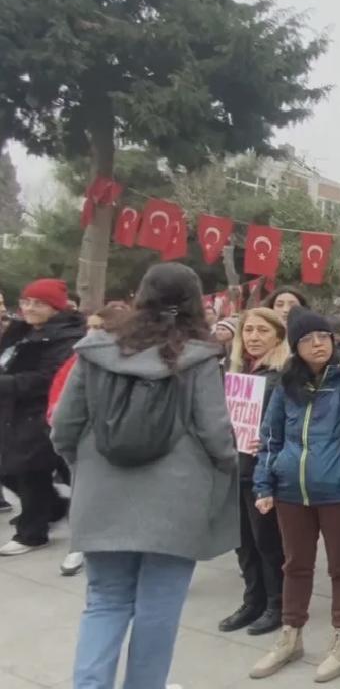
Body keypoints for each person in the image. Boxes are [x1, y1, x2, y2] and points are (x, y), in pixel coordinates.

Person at [50, 263, 238, 688]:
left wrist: (82, 466)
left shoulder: (95, 349)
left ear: (141, 295)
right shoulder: (200, 357)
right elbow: (215, 433)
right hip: (178, 499)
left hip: (102, 495)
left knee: (103, 601)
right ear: (195, 302)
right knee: (160, 610)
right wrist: (227, 468)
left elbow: (64, 425)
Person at [250, 309, 340, 682]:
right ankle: (290, 636)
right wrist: (264, 483)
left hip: (339, 490)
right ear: (295, 346)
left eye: (324, 336)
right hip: (291, 489)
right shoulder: (284, 385)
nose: (318, 344)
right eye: (308, 339)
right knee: (295, 565)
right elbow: (271, 437)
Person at [218, 308, 291, 637]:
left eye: (263, 330)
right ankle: (253, 600)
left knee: (267, 541)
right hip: (233, 467)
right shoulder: (232, 372)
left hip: (265, 470)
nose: (254, 337)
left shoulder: (286, 375)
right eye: (248, 330)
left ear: (277, 335)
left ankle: (277, 603)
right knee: (242, 541)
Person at [45, 304, 131, 578]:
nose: (92, 333)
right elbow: (61, 402)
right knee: (85, 501)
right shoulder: (80, 359)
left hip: (120, 446)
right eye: (90, 326)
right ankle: (79, 546)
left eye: (100, 328)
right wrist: (67, 446)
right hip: (83, 447)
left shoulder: (134, 362)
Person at [0, 278, 84, 556]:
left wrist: (6, 383)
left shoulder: (67, 336)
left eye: (38, 303)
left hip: (38, 413)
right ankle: (51, 507)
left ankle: (31, 534)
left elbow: (46, 378)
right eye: (26, 301)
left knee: (29, 471)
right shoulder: (20, 329)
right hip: (11, 409)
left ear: (55, 307)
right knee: (13, 470)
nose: (29, 308)